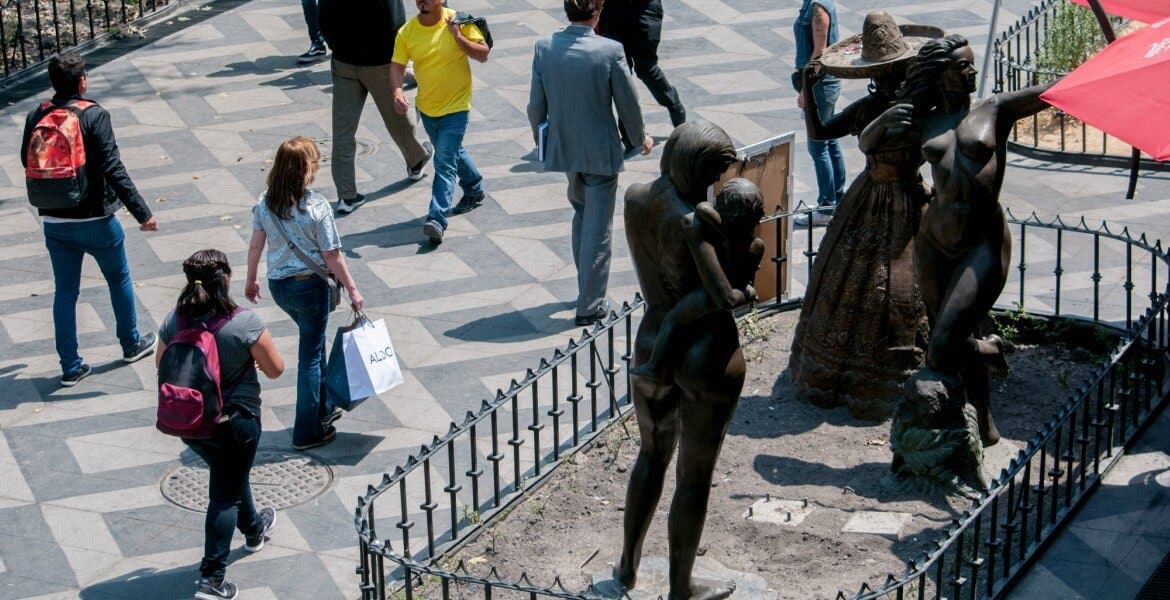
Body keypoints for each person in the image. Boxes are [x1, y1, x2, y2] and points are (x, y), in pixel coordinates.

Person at [873, 35, 1054, 445]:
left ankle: (990, 351)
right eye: (962, 66)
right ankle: (984, 425)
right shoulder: (924, 119)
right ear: (940, 75)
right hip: (934, 244)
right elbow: (869, 142)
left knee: (942, 346)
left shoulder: (995, 110)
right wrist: (883, 120)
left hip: (982, 244)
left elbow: (1051, 93)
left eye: (973, 64)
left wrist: (1107, 67)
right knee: (951, 330)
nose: (972, 71)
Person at [617, 122, 754, 600]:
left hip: (651, 337)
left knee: (650, 455)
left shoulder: (634, 197)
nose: (715, 184)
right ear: (696, 167)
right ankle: (680, 588)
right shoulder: (694, 221)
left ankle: (627, 566)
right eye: (713, 174)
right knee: (693, 474)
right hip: (703, 352)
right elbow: (720, 296)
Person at [788, 13, 942, 420]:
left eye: (897, 72)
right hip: (870, 195)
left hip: (911, 197)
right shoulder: (869, 109)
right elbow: (822, 133)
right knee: (857, 277)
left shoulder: (921, 108)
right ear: (874, 76)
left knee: (913, 277)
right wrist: (809, 91)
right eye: (884, 74)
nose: (892, 80)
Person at [20, 52, 160, 387]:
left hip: (54, 221)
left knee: (65, 291)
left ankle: (70, 366)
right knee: (118, 278)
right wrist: (143, 212)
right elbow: (113, 168)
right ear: (82, 81)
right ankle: (131, 344)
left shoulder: (37, 114)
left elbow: (27, 158)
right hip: (97, 220)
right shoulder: (94, 115)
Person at [157, 249, 285, 600]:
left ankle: (254, 529)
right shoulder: (244, 323)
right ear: (226, 278)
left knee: (231, 473)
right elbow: (276, 369)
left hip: (190, 423)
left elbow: (161, 364)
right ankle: (212, 578)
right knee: (224, 496)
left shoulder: (174, 320)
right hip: (235, 423)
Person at [527, 0, 651, 326]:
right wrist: (640, 139)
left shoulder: (544, 48)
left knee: (581, 213)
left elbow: (535, 106)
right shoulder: (610, 51)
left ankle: (586, 285)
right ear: (598, 12)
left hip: (565, 150)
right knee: (599, 228)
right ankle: (590, 304)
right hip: (600, 153)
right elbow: (628, 103)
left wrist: (543, 142)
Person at [245, 137, 364, 450]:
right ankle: (307, 431)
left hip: (279, 286)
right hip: (310, 287)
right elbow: (331, 255)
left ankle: (323, 408)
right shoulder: (316, 206)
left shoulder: (265, 202)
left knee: (314, 342)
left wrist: (251, 279)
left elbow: (256, 245)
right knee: (310, 355)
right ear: (306, 169)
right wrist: (352, 289)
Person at [630, 180, 765, 382]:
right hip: (738, 286)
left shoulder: (720, 230)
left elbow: (702, 207)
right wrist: (748, 292)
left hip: (706, 296)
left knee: (672, 319)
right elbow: (748, 276)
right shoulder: (756, 245)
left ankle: (655, 366)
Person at [319, 0, 434, 214]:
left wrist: (336, 45)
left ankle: (346, 195)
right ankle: (416, 159)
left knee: (343, 130)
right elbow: (394, 19)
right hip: (380, 61)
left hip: (344, 61)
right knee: (396, 116)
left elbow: (323, 15)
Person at [391, 0, 490, 244]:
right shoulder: (407, 31)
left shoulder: (458, 21)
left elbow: (483, 54)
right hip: (427, 108)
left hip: (457, 107)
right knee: (453, 152)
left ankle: (436, 219)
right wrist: (397, 91)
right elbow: (397, 65)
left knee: (444, 162)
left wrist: (458, 37)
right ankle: (474, 187)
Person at [597, 0, 686, 140]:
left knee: (646, 68)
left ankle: (674, 104)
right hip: (613, 11)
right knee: (621, 72)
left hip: (645, 9)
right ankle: (628, 132)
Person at [793, 0, 846, 227]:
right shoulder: (814, 4)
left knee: (818, 145)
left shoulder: (818, 9)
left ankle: (826, 207)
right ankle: (838, 200)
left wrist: (806, 89)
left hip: (819, 86)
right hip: (823, 83)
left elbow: (820, 52)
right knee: (830, 140)